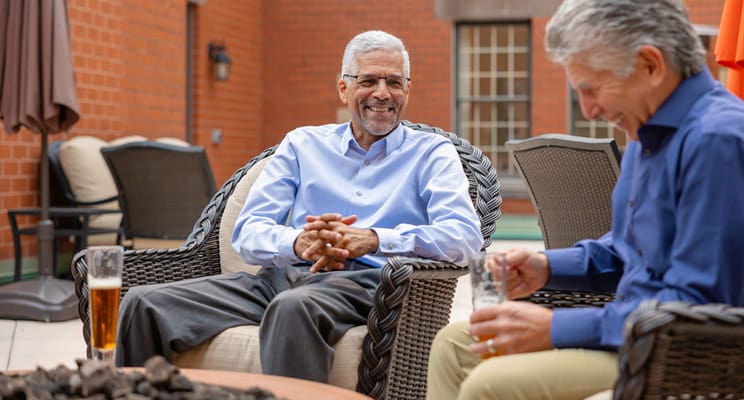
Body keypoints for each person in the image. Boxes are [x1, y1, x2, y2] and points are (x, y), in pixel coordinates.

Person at [114, 30, 483, 384]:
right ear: (344, 87)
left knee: (293, 307)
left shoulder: (432, 153)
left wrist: (372, 239)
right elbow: (248, 231)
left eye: (395, 82)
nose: (382, 94)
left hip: (371, 286)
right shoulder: (301, 145)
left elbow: (465, 239)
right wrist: (298, 243)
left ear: (408, 90)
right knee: (142, 303)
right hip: (282, 277)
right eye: (368, 80)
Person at [426, 0, 744, 399]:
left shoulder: (715, 141)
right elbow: (628, 248)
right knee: (454, 345)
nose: (591, 111)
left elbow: (699, 303)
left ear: (650, 64)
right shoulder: (649, 131)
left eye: (591, 89)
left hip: (676, 354)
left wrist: (554, 329)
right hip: (632, 332)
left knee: (490, 385)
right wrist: (545, 266)